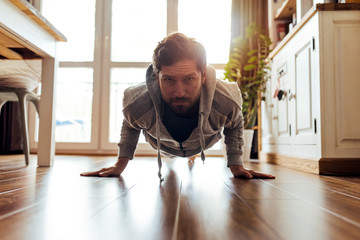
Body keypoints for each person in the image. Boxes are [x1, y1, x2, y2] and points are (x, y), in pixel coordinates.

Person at [81, 33, 275, 180]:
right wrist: (120, 164)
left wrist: (236, 164)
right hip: (161, 142)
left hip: (204, 140)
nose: (179, 92)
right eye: (169, 80)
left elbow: (235, 124)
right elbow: (131, 125)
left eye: (189, 79)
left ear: (204, 75)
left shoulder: (225, 99)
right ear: (157, 77)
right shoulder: (137, 101)